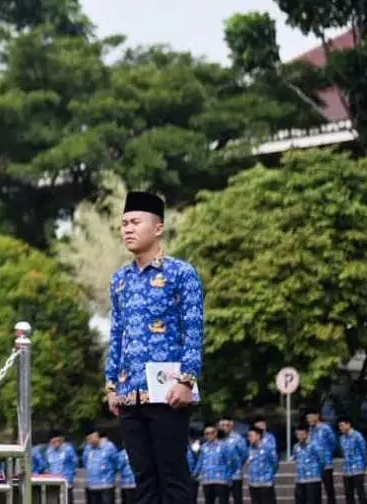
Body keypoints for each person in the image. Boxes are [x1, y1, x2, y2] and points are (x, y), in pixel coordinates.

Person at [105, 190, 204, 503]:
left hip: (169, 391)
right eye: (123, 224)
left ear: (158, 228)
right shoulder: (119, 280)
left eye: (135, 222)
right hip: (128, 390)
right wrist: (110, 385)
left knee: (173, 475)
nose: (127, 229)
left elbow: (194, 328)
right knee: (143, 479)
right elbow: (117, 332)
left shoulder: (181, 274)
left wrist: (187, 380)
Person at [190, 426, 231, 503]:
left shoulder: (223, 446)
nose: (209, 435)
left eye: (211, 433)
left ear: (215, 433)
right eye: (207, 433)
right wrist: (194, 474)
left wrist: (228, 475)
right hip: (207, 479)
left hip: (221, 480)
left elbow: (231, 461)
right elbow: (200, 462)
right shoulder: (203, 447)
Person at [305, 413, 336, 504]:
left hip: (326, 463)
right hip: (314, 465)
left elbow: (333, 442)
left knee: (329, 488)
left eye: (310, 417)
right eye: (307, 418)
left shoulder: (326, 428)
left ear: (317, 416)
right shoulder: (310, 430)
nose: (308, 420)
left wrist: (327, 454)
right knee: (315, 490)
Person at [335, 419, 367, 504]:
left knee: (360, 492)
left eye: (342, 425)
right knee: (348, 494)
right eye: (339, 426)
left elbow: (363, 451)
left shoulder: (357, 436)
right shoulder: (342, 438)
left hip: (358, 468)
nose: (340, 428)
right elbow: (343, 452)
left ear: (348, 424)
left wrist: (363, 465)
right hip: (347, 469)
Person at [242, 426, 277, 504]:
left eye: (251, 435)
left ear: (258, 436)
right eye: (248, 436)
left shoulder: (268, 448)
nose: (249, 438)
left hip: (265, 483)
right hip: (253, 483)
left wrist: (269, 475)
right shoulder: (250, 449)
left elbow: (275, 463)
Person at [83, 432, 119, 504]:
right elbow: (85, 462)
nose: (89, 441)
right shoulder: (88, 448)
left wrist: (109, 473)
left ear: (96, 436)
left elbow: (116, 462)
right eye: (87, 440)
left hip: (106, 484)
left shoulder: (109, 447)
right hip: (92, 485)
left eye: (90, 439)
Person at [291, 425, 323, 504]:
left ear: (307, 434)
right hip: (300, 479)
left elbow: (322, 460)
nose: (299, 437)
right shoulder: (296, 447)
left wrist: (317, 471)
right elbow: (295, 458)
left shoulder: (314, 445)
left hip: (313, 479)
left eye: (301, 434)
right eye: (298, 435)